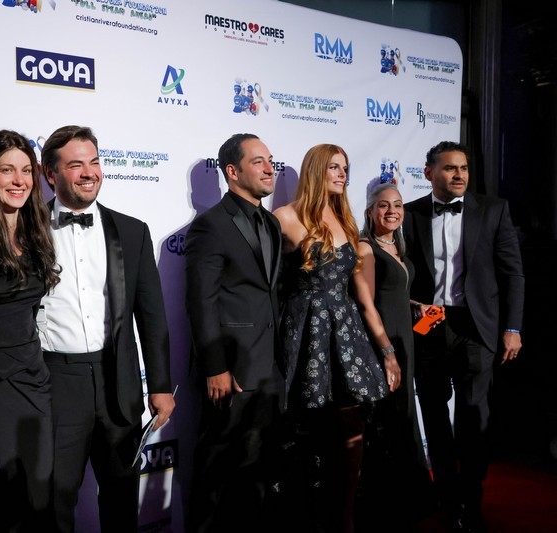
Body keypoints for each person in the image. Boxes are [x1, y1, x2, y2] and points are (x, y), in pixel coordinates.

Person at [37, 125, 175, 532]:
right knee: (55, 501)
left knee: (121, 498)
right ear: (50, 174)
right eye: (75, 165)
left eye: (94, 162)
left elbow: (151, 316)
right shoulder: (26, 229)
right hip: (55, 381)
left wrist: (160, 386)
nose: (89, 173)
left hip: (118, 381)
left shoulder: (132, 231)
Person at [273, 143, 399, 533]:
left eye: (345, 167)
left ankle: (345, 513)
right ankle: (305, 513)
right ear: (315, 170)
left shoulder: (347, 221)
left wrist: (387, 351)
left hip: (346, 334)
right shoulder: (284, 217)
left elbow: (364, 300)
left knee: (352, 421)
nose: (342, 174)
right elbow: (270, 286)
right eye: (334, 167)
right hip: (305, 334)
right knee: (306, 426)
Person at [403, 140, 525, 531]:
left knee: (473, 417)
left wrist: (512, 328)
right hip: (428, 324)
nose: (459, 175)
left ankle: (471, 501)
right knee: (434, 416)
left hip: (476, 325)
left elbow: (513, 273)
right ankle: (447, 497)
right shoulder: (409, 214)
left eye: (464, 168)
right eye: (450, 168)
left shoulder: (493, 210)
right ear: (429, 173)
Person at [0, 130, 60, 531]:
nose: (19, 180)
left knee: (37, 499)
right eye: (7, 170)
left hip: (34, 382)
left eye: (26, 171)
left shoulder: (36, 234)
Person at [184, 133, 285, 532]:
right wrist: (215, 367)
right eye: (258, 161)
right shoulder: (210, 226)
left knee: (259, 471)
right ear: (232, 171)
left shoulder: (272, 222)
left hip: (270, 368)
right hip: (232, 370)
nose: (269, 168)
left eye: (270, 160)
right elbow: (201, 302)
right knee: (217, 471)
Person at [355, 182, 437, 530]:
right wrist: (387, 352)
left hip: (406, 341)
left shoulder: (397, 246)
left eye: (398, 205)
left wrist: (416, 306)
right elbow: (366, 304)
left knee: (402, 416)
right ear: (370, 211)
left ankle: (407, 499)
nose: (392, 211)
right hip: (384, 344)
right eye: (384, 205)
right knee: (386, 420)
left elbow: (392, 293)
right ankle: (384, 509)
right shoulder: (366, 248)